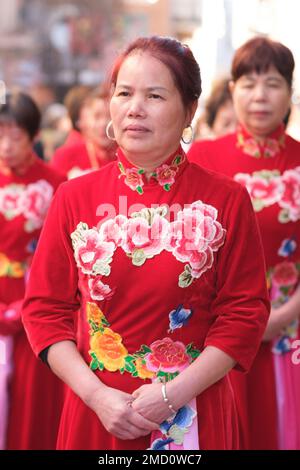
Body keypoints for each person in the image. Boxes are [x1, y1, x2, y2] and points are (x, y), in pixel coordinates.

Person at [22, 36, 269, 450]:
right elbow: (44, 311)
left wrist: (173, 394)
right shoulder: (73, 197)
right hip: (98, 414)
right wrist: (96, 395)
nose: (135, 108)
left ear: (189, 109)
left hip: (194, 411)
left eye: (154, 95)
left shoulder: (227, 199)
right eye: (124, 93)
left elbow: (245, 312)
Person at [188, 36, 300, 450]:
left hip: (289, 329)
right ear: (233, 91)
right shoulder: (200, 159)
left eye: (272, 83)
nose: (260, 96)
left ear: (290, 92)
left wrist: (285, 313)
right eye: (249, 84)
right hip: (215, 332)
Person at [0, 91, 65, 449]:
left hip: (33, 298)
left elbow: (58, 256)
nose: (6, 145)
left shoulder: (55, 184)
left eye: (15, 135)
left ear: (34, 136)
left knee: (29, 398)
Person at [50, 86, 116, 179]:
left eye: (110, 116)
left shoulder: (131, 157)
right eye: (97, 116)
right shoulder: (65, 156)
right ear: (83, 121)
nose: (104, 124)